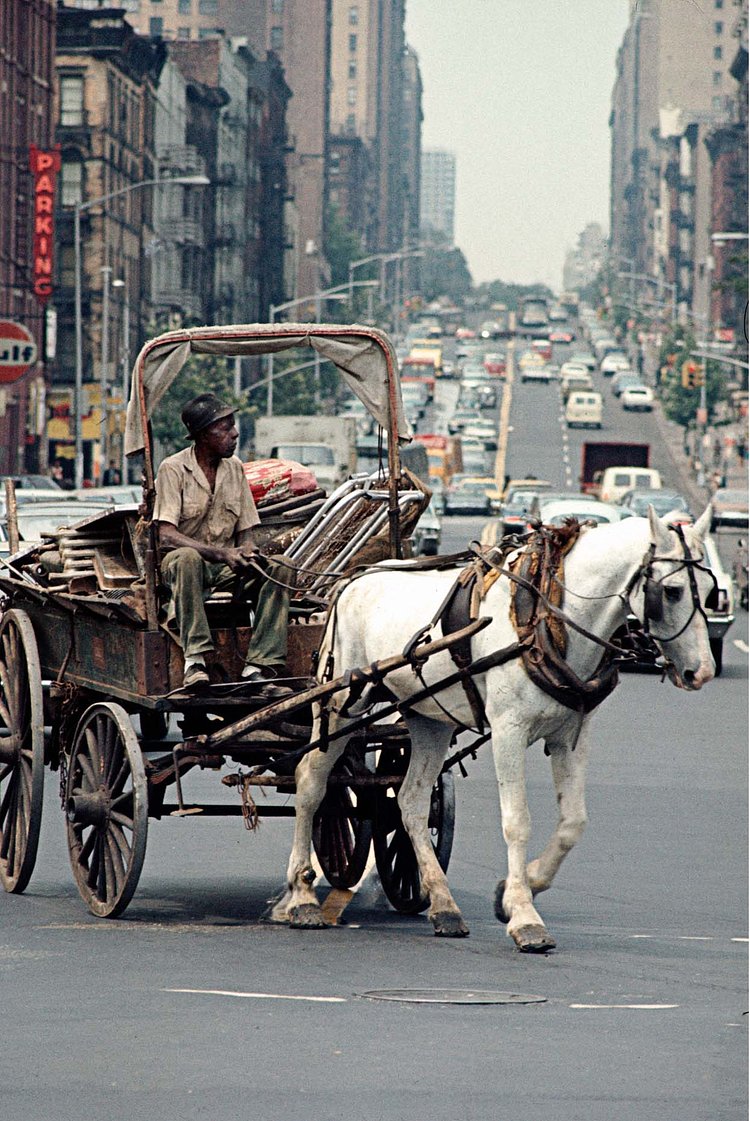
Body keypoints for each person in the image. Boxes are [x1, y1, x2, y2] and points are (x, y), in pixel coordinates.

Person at [153, 393, 292, 691]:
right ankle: (195, 661)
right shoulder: (173, 468)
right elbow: (166, 535)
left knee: (281, 566)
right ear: (203, 435)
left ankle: (258, 665)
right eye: (225, 428)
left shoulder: (235, 469)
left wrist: (247, 552)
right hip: (182, 568)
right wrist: (221, 554)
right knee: (187, 558)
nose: (235, 434)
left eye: (233, 426)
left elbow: (246, 532)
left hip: (224, 569)